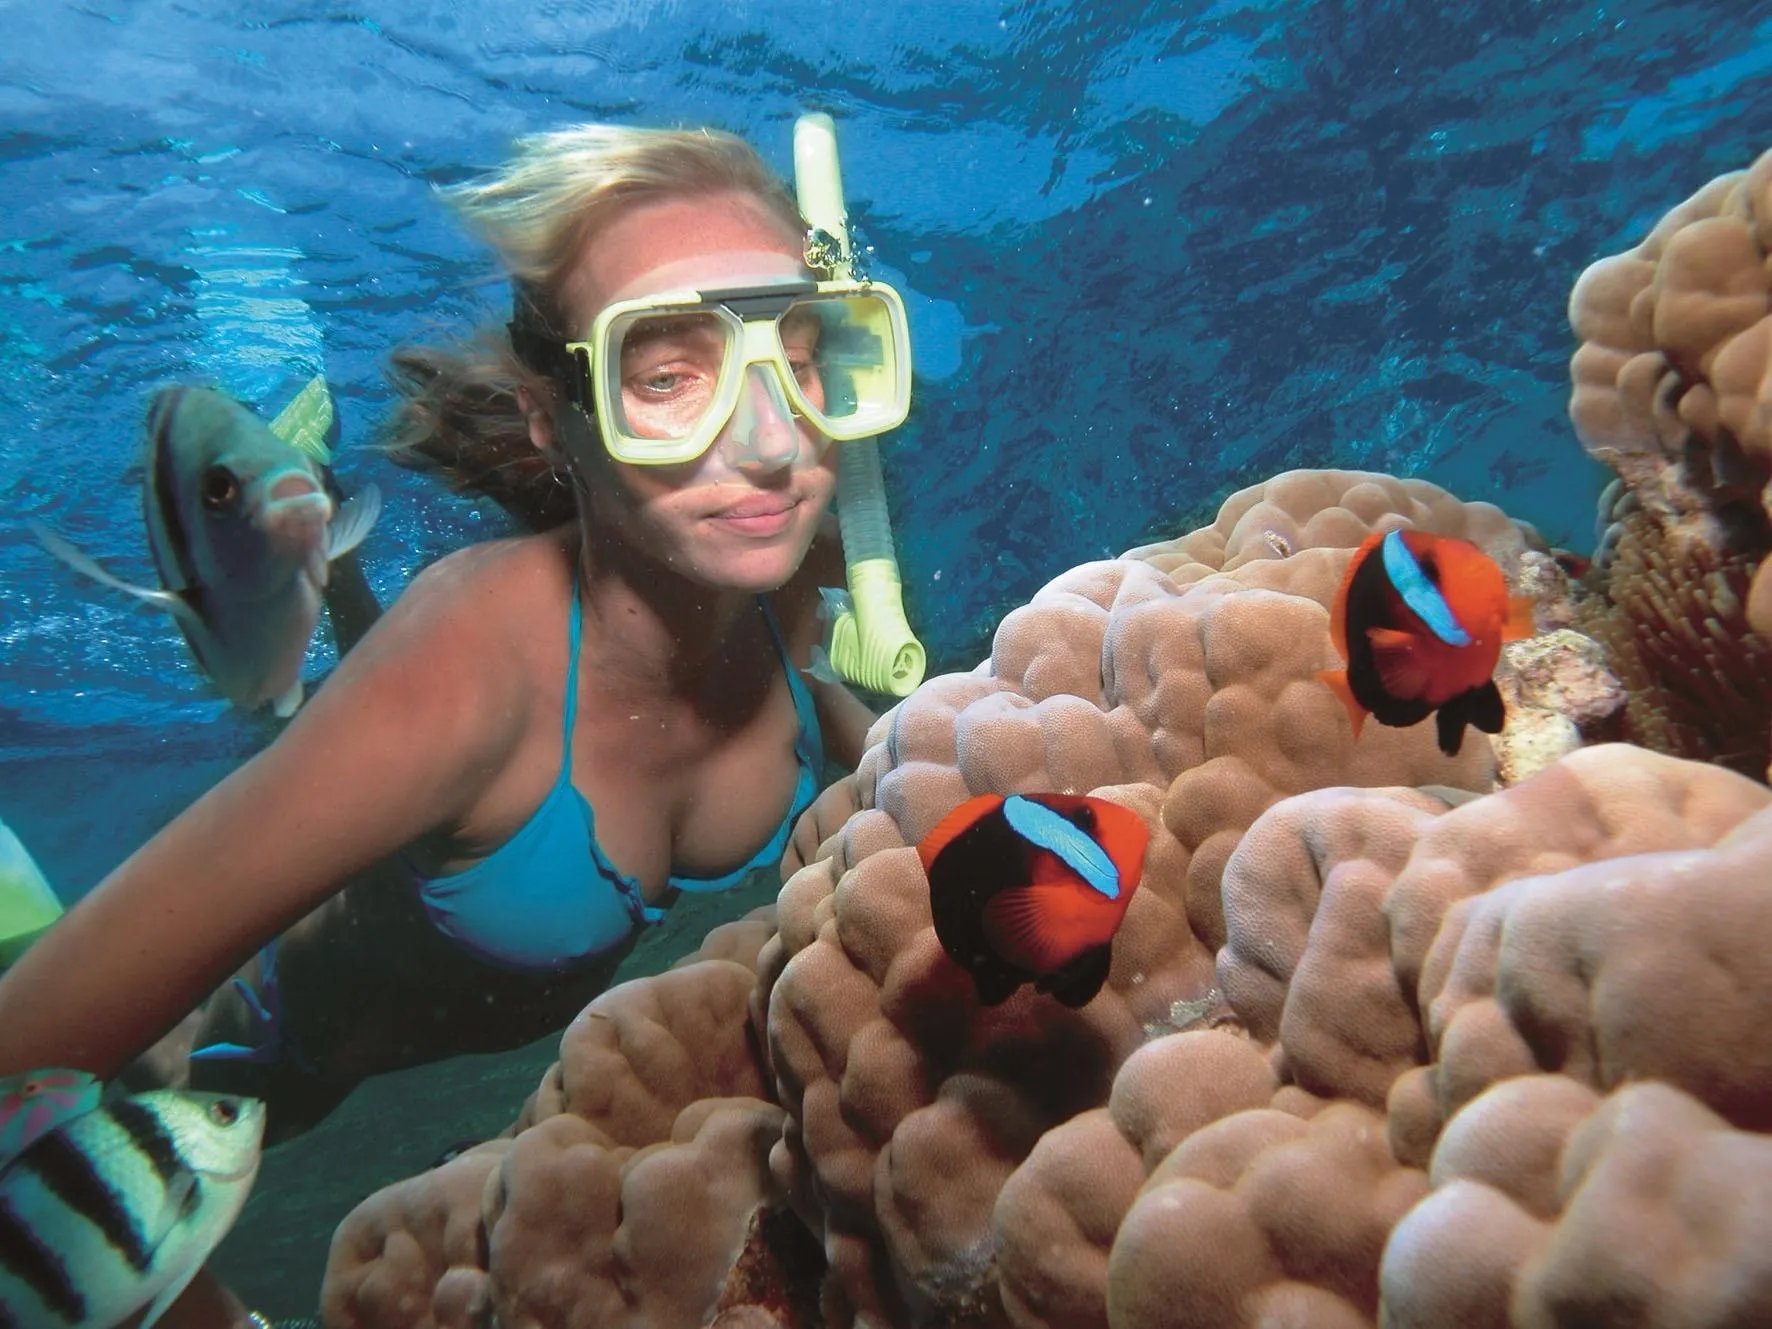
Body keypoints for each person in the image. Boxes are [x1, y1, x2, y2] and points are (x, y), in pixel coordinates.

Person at [0, 123, 906, 1150]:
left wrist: (911, 763)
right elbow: (22, 1055)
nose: (777, 442)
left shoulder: (779, 572)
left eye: (799, 359)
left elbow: (818, 700)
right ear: (547, 417)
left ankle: (338, 554)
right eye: (664, 378)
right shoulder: (457, 673)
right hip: (250, 1053)